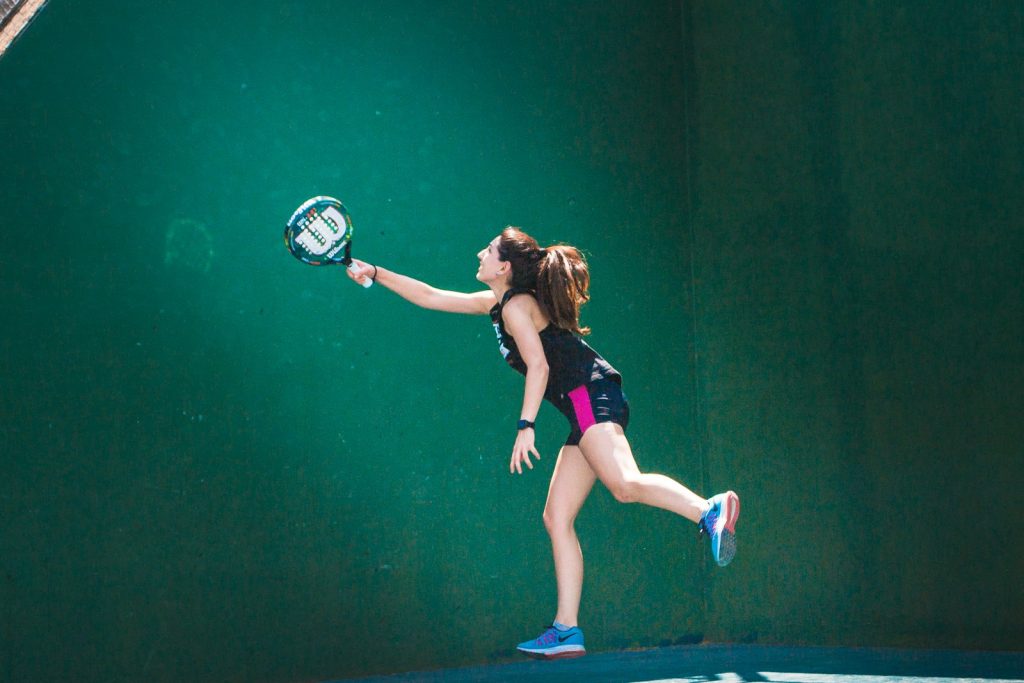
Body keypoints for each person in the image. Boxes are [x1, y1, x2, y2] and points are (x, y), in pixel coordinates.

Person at [346, 227, 739, 660]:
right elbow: (431, 296)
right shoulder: (499, 304)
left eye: (489, 249)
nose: (479, 253)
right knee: (557, 517)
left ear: (504, 266)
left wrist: (525, 425)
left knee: (625, 484)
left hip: (589, 396)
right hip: (581, 406)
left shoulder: (517, 307)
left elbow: (539, 367)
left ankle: (707, 509)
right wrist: (376, 272)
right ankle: (567, 630)